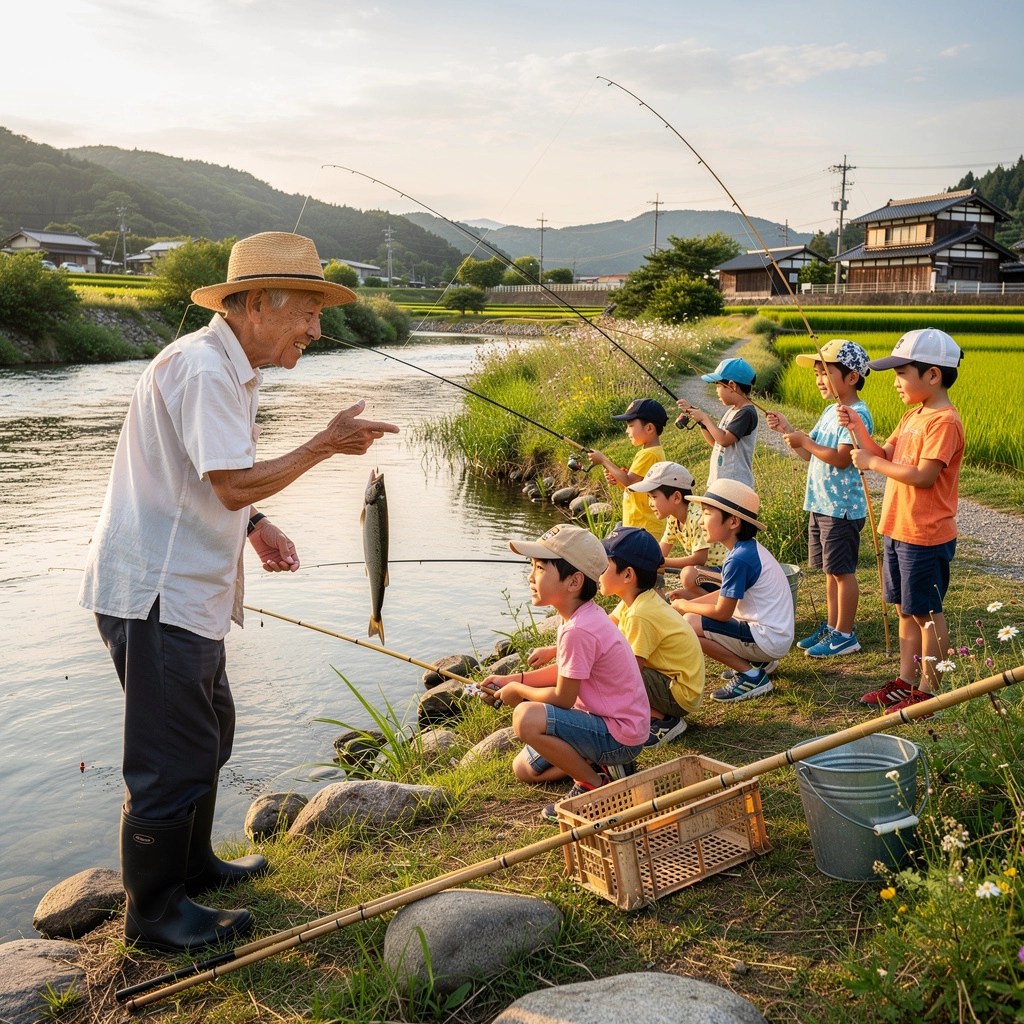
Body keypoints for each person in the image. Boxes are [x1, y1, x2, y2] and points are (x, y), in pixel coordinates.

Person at [79, 231, 400, 951]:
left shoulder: (225, 367)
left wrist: (256, 523)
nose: (318, 330)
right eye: (308, 313)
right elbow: (227, 483)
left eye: (320, 315)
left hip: (184, 588)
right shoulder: (203, 369)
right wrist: (322, 445)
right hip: (158, 592)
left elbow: (211, 481)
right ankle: (154, 913)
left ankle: (192, 868)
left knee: (209, 729)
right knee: (170, 756)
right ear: (256, 303)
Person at [480, 524, 649, 824]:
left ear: (574, 582)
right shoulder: (580, 616)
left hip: (619, 735)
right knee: (524, 769)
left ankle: (597, 788)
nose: (531, 577)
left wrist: (520, 695)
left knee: (525, 718)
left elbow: (562, 697)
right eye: (532, 567)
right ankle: (600, 767)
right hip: (609, 725)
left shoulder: (579, 630)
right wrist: (513, 680)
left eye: (541, 568)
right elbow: (567, 671)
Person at [837, 328, 964, 714]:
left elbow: (924, 476)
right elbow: (884, 452)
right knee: (905, 609)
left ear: (933, 375)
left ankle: (928, 689)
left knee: (926, 612)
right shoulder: (914, 414)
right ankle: (906, 681)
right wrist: (858, 430)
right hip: (898, 527)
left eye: (901, 373)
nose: (895, 383)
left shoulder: (943, 421)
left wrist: (873, 463)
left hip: (924, 534)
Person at [767, 340, 873, 658]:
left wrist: (804, 441)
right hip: (821, 504)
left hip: (840, 509)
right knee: (830, 571)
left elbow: (842, 458)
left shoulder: (855, 415)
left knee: (842, 572)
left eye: (825, 372)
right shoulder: (830, 411)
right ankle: (831, 626)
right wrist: (788, 430)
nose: (819, 380)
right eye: (816, 374)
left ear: (852, 377)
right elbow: (807, 453)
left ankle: (845, 633)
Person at [670, 480, 795, 703]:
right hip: (774, 635)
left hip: (768, 639)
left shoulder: (739, 559)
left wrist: (683, 606)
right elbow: (725, 596)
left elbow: (722, 613)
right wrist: (688, 597)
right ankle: (757, 662)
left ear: (733, 521)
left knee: (689, 623)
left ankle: (752, 675)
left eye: (707, 514)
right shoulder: (745, 550)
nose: (700, 521)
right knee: (694, 617)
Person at [601, 526, 704, 746]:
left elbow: (630, 671)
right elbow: (605, 628)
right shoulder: (636, 600)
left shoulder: (641, 613)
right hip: (672, 683)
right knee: (607, 670)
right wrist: (555, 650)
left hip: (679, 695)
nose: (598, 569)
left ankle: (664, 719)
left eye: (604, 564)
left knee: (612, 675)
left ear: (628, 574)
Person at [626, 461, 729, 600]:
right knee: (673, 595)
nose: (650, 503)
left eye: (654, 496)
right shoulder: (673, 519)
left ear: (676, 497)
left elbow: (700, 559)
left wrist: (661, 562)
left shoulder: (698, 517)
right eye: (649, 497)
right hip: (705, 575)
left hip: (724, 572)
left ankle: (719, 603)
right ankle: (662, 600)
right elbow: (660, 552)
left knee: (688, 575)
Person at [586, 398, 667, 539]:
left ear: (649, 428)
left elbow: (629, 481)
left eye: (630, 426)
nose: (626, 431)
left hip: (644, 527)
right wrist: (618, 479)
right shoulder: (649, 452)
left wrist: (604, 460)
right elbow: (635, 486)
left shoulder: (649, 454)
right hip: (639, 525)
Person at [675, 357, 758, 489]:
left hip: (735, 485)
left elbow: (724, 440)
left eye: (718, 385)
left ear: (731, 385)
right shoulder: (733, 411)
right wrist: (701, 420)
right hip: (721, 482)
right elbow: (716, 443)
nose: (716, 390)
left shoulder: (746, 413)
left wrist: (705, 418)